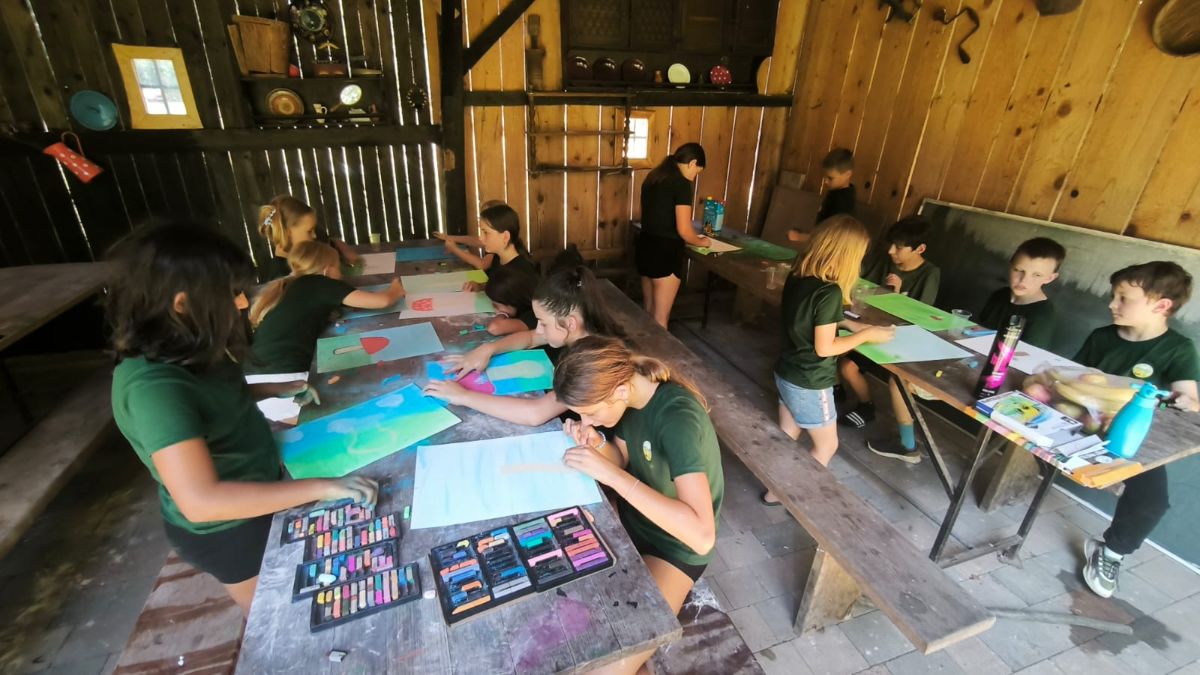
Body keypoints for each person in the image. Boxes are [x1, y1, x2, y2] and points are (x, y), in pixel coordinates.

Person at [106, 223, 377, 614]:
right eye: (230, 293)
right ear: (182, 304)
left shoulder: (186, 343)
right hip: (230, 528)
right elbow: (202, 501)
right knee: (282, 616)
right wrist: (324, 486)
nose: (240, 303)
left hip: (262, 486)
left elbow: (212, 399)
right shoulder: (153, 389)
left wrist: (273, 389)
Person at [554, 336, 723, 675]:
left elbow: (702, 535)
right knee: (572, 638)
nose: (586, 420)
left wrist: (612, 476)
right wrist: (596, 442)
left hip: (674, 547)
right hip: (632, 524)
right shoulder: (630, 397)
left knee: (605, 668)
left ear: (619, 391)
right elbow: (621, 457)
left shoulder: (677, 417)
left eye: (590, 413)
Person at [1075, 261, 1199, 599]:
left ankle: (1111, 552)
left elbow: (1190, 398)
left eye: (1123, 298)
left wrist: (1184, 400)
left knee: (1152, 503)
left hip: (1132, 437)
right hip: (1084, 422)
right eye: (1113, 296)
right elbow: (1074, 375)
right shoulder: (1101, 337)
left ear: (1161, 305)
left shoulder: (1178, 348)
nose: (1111, 304)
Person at [762, 215, 894, 504]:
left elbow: (807, 318)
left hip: (787, 372)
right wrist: (867, 334)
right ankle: (794, 496)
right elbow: (825, 348)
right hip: (810, 381)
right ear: (847, 255)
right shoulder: (830, 291)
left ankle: (774, 491)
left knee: (787, 435)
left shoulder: (799, 275)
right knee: (827, 446)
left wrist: (848, 324)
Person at [423, 265, 625, 425]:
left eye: (543, 323)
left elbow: (535, 413)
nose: (538, 330)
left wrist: (463, 396)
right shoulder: (578, 332)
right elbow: (529, 338)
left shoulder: (593, 361)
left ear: (570, 323)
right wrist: (487, 349)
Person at [837, 216, 942, 463]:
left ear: (920, 249)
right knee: (845, 363)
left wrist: (896, 295)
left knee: (893, 380)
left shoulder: (929, 274)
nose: (891, 251)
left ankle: (906, 444)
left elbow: (921, 317)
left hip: (901, 339)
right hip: (873, 330)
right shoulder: (885, 261)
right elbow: (860, 284)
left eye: (899, 247)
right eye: (891, 245)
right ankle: (864, 404)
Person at [247, 240, 405, 373]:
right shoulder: (320, 283)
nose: (341, 275)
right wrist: (395, 290)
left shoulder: (291, 285)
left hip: (255, 371)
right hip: (284, 372)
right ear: (328, 270)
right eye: (338, 268)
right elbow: (383, 301)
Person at [635, 143, 712, 329]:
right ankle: (658, 349)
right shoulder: (681, 184)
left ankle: (645, 347)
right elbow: (684, 230)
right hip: (665, 253)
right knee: (660, 319)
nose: (694, 177)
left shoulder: (653, 178)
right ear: (692, 163)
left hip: (645, 247)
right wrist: (702, 241)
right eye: (697, 172)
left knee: (648, 312)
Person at [977, 237, 1066, 350]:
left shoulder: (1042, 315)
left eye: (1037, 275)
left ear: (1050, 278)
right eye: (1018, 270)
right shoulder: (999, 295)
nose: (1023, 280)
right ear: (1010, 266)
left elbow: (1028, 355)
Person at [435, 202, 539, 287]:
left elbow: (482, 265)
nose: (481, 237)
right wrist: (481, 286)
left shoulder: (517, 270)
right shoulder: (500, 256)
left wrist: (455, 249)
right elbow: (474, 240)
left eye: (486, 232)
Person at [257, 194, 359, 281]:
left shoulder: (310, 254)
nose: (314, 235)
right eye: (309, 231)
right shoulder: (280, 273)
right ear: (288, 233)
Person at [788, 147, 857, 244]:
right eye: (825, 176)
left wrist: (799, 237)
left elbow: (831, 237)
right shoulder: (836, 191)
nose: (826, 181)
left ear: (847, 174)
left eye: (830, 178)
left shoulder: (843, 202)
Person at [482, 264, 539, 336]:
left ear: (512, 302)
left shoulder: (532, 315)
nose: (494, 308)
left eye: (496, 305)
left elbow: (494, 328)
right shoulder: (521, 303)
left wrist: (501, 314)